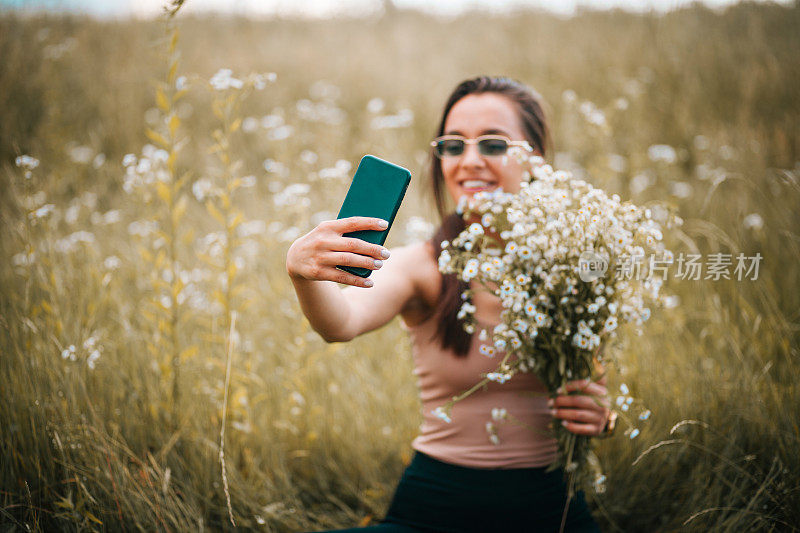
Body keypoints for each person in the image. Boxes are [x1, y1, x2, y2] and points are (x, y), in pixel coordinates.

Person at [286, 76, 611, 532]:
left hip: (552, 510)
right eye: (453, 146)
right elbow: (341, 322)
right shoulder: (421, 266)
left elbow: (592, 384)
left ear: (535, 159)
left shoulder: (575, 266)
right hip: (435, 509)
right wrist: (303, 272)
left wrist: (602, 416)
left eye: (493, 144)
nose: (469, 161)